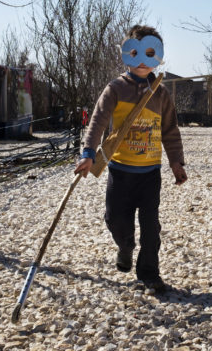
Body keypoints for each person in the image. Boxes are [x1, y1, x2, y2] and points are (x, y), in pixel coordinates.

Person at [74, 24, 187, 293]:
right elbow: (98, 123)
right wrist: (88, 154)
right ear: (126, 54)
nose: (142, 61)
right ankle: (125, 245)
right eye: (136, 53)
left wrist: (176, 162)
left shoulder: (160, 93)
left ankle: (149, 274)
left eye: (150, 53)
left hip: (150, 174)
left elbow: (170, 129)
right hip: (120, 172)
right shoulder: (115, 89)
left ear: (158, 56)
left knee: (151, 228)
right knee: (115, 219)